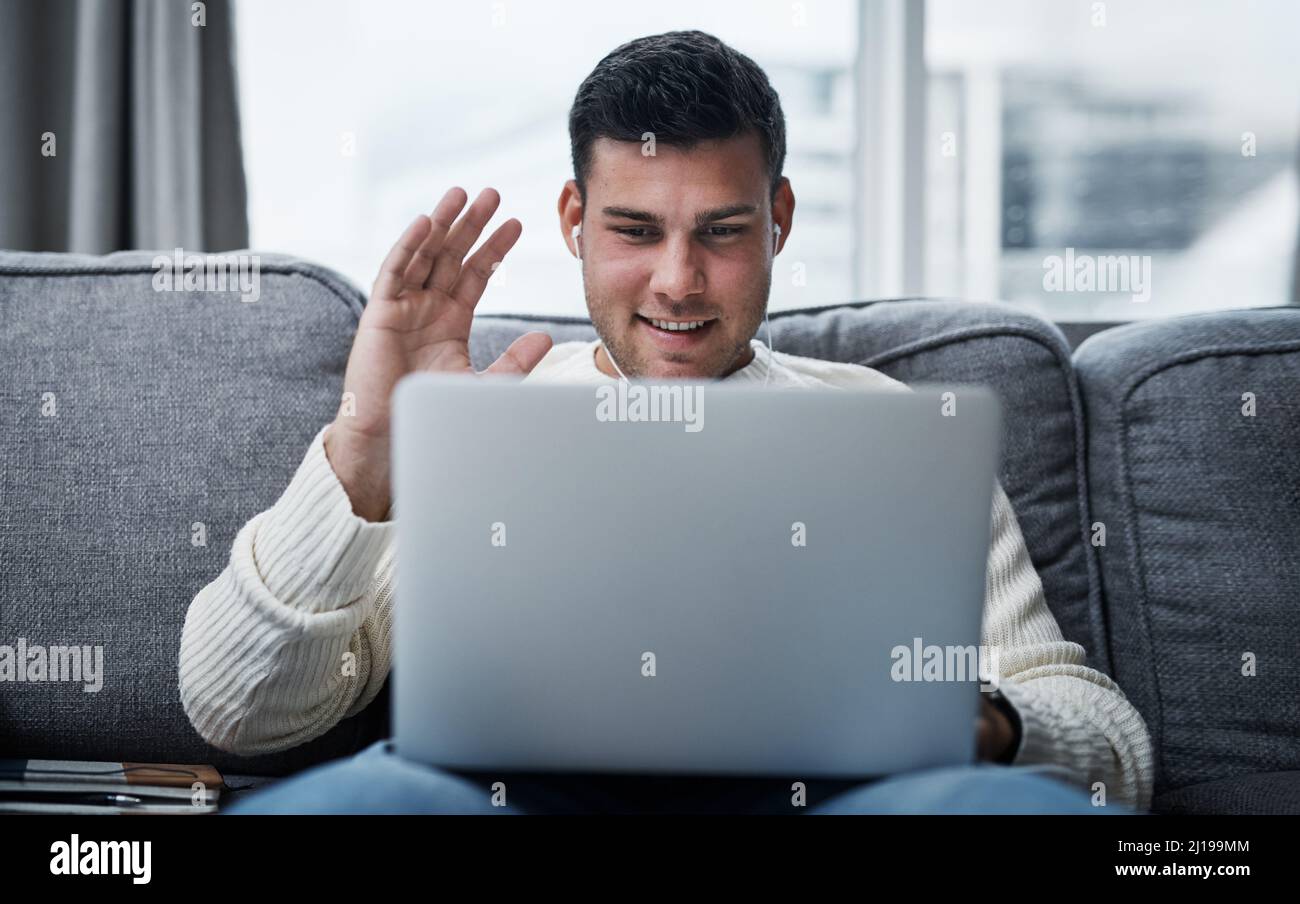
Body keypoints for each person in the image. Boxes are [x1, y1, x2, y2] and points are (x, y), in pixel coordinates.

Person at [181, 30, 1153, 815]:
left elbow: (1112, 755)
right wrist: (368, 453)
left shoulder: (889, 429)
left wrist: (980, 722)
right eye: (635, 231)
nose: (678, 281)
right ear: (574, 219)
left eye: (722, 232)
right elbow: (235, 709)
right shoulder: (476, 426)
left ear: (778, 217)